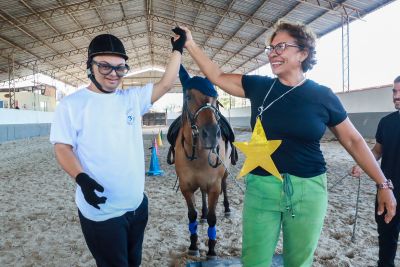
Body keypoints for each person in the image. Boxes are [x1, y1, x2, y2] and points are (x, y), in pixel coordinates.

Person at [179, 22, 397, 267]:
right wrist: (190, 43)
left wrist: (383, 183)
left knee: (298, 262)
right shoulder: (258, 86)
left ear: (303, 53)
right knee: (254, 261)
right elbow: (216, 76)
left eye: (280, 46)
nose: (273, 52)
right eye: (270, 48)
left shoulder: (322, 96)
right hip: (262, 188)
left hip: (308, 189)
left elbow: (353, 140)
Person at [50, 28, 186, 267]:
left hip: (136, 207)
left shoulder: (131, 98)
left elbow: (166, 83)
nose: (114, 74)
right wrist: (81, 178)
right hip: (102, 212)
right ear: (90, 66)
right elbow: (62, 147)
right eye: (105, 66)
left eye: (120, 68)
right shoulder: (72, 105)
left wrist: (177, 50)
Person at [351, 76, 400, 267]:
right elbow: (378, 151)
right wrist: (362, 164)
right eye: (394, 92)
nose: (396, 96)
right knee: (386, 244)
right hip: (387, 191)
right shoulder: (386, 122)